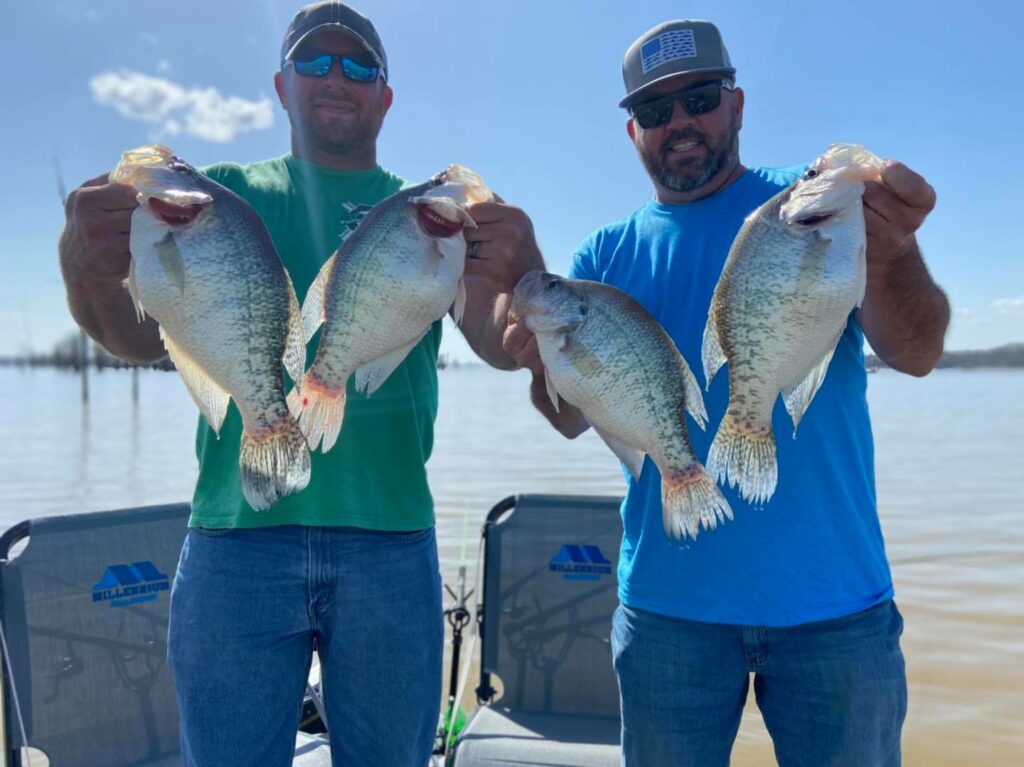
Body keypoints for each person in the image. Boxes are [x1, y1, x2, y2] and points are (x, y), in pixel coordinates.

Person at [57, 3, 541, 765]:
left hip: (391, 537)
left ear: (386, 96)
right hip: (233, 539)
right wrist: (81, 261)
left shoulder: (436, 217)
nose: (336, 77)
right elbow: (137, 338)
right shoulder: (216, 197)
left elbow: (498, 340)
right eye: (315, 62)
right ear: (282, 86)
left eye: (359, 66)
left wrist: (524, 274)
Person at [502, 19, 950, 767]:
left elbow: (919, 350)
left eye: (699, 98)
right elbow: (570, 421)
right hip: (667, 609)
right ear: (632, 132)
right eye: (654, 110)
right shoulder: (599, 258)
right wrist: (540, 367)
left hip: (834, 605)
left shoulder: (813, 208)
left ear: (736, 104)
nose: (679, 122)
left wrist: (895, 254)